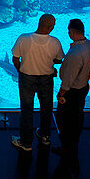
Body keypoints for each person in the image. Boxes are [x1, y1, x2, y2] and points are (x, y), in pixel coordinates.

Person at [10, 14, 64, 152]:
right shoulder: (55, 42)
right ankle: (45, 136)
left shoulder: (23, 38)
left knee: (26, 109)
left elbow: (15, 58)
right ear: (51, 27)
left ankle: (26, 142)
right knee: (46, 108)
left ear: (39, 23)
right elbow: (59, 60)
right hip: (46, 78)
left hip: (26, 77)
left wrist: (20, 70)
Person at [54, 18, 90, 155]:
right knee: (77, 116)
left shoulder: (74, 54)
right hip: (84, 87)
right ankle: (74, 143)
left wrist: (61, 94)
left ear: (71, 31)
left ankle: (66, 146)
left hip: (72, 92)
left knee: (63, 118)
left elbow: (68, 80)